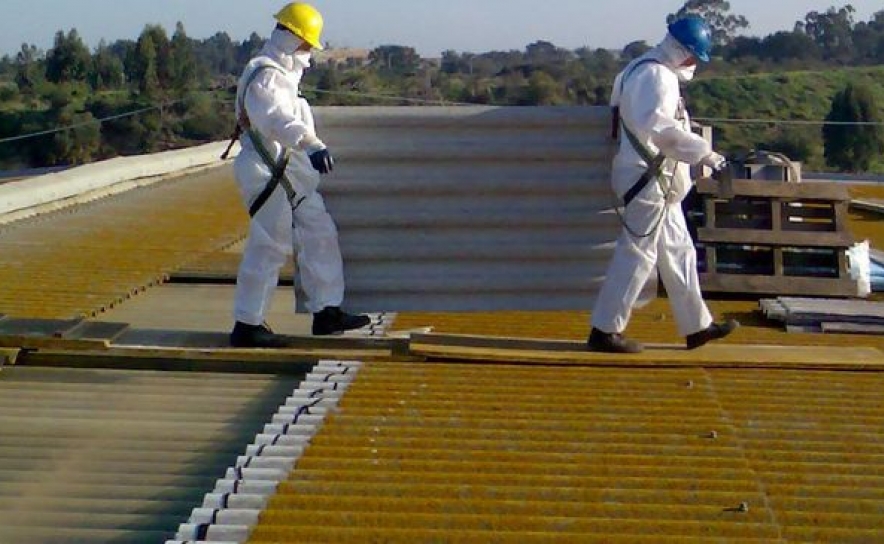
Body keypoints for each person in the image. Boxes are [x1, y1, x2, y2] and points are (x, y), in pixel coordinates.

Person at [588, 15, 739, 353]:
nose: (693, 65)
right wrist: (708, 156)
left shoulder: (636, 70)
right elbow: (662, 131)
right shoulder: (658, 77)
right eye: (693, 58)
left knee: (678, 252)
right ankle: (604, 330)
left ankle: (697, 327)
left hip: (655, 180)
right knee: (637, 255)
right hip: (649, 180)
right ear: (682, 52)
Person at [229, 2, 370, 348]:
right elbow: (275, 119)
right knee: (269, 244)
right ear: (292, 39)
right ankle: (247, 324)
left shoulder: (280, 75)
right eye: (307, 45)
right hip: (268, 172)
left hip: (288, 173)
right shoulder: (267, 76)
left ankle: (327, 311)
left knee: (319, 232)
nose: (309, 53)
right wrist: (311, 143)